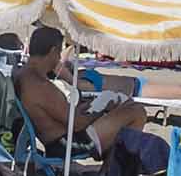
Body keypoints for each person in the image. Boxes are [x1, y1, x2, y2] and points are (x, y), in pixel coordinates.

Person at [14, 27, 142, 163]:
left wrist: (91, 106)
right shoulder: (40, 85)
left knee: (124, 109)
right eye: (59, 52)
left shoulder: (25, 75)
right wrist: (101, 110)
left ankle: (111, 166)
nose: (59, 58)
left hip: (60, 139)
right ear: (53, 51)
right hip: (68, 144)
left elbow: (61, 113)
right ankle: (117, 168)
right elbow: (77, 124)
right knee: (136, 111)